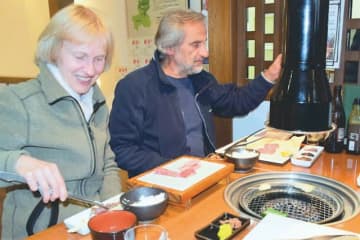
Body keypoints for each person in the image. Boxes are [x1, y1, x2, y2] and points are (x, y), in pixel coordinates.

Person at [109, 9, 282, 178]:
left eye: (204, 43)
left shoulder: (201, 80)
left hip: (202, 176)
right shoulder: (134, 87)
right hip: (161, 186)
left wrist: (269, 76)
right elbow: (122, 150)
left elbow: (236, 102)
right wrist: (173, 168)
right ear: (169, 47)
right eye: (196, 44)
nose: (205, 53)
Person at [0, 4, 121, 239]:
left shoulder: (96, 100)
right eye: (80, 57)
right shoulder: (18, 101)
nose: (90, 70)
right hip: (43, 232)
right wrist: (18, 163)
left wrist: (111, 205)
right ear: (54, 51)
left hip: (92, 226)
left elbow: (108, 163)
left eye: (99, 59)